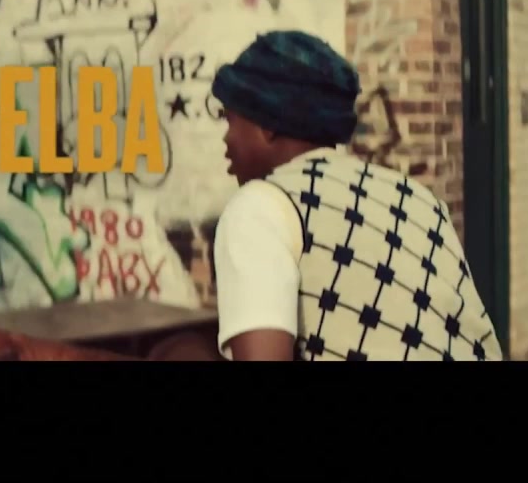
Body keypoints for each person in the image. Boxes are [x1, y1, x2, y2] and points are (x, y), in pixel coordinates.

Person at [209, 30, 504, 362]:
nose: (226, 140)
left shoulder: (257, 209)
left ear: (268, 124)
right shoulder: (418, 199)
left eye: (229, 120)